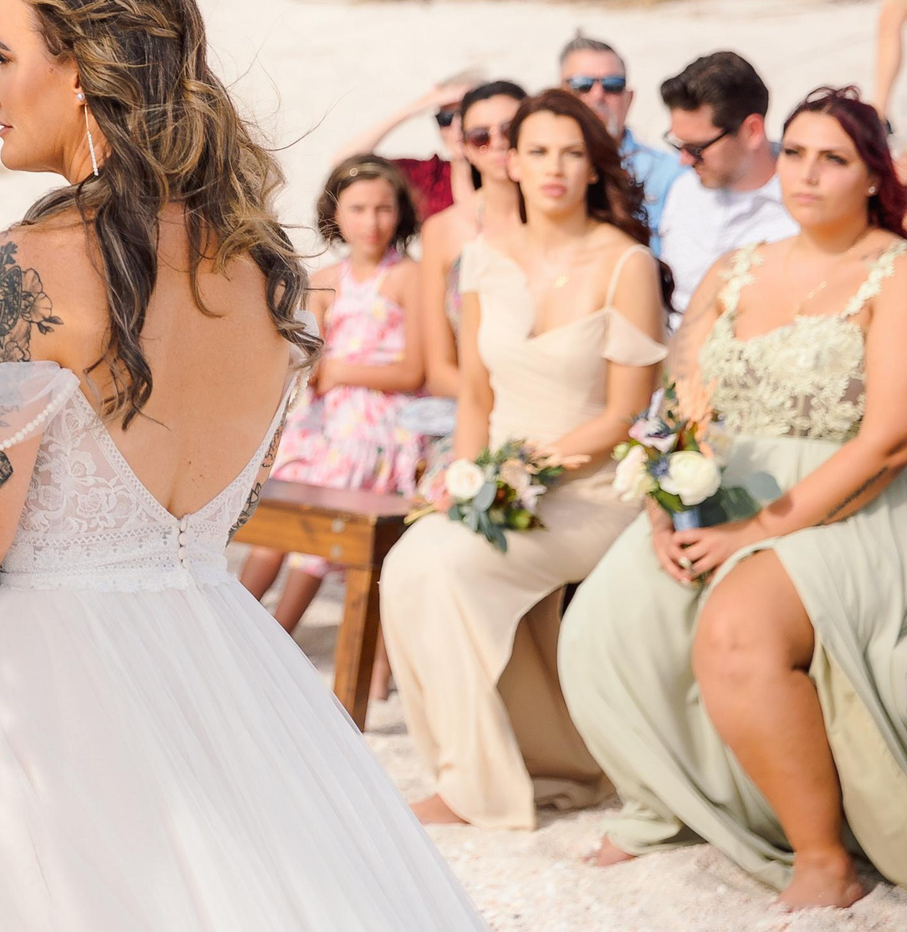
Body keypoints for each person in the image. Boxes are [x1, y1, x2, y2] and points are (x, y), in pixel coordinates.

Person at [0, 0, 483, 930]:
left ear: (78, 73)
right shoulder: (258, 270)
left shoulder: (23, 271)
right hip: (221, 656)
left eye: (1, 59)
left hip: (43, 676)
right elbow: (234, 500)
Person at [562, 86, 907, 911]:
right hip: (715, 493)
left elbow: (888, 438)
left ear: (871, 176)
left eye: (834, 159)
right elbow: (677, 412)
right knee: (606, 622)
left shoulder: (894, 270)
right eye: (794, 153)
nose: (807, 174)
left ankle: (822, 855)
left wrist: (754, 532)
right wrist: (662, 509)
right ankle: (673, 805)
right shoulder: (734, 267)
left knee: (737, 630)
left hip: (850, 503)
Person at [381, 90, 666, 830]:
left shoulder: (625, 263)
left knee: (445, 569)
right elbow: (475, 391)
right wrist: (466, 477)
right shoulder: (482, 258)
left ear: (595, 165)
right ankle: (499, 763)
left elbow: (625, 414)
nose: (554, 167)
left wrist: (530, 467)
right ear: (510, 160)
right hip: (502, 479)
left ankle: (476, 791)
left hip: (592, 491)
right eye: (537, 150)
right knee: (412, 558)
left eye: (572, 152)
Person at [240, 157, 427, 654]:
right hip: (324, 417)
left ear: (400, 213)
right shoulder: (326, 277)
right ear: (336, 214)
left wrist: (341, 371)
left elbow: (415, 371)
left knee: (331, 487)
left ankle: (274, 643)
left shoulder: (409, 278)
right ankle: (231, 631)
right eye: (358, 209)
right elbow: (307, 347)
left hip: (379, 416)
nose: (372, 221)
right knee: (279, 516)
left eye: (384, 208)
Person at [414, 79, 527, 403]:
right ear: (463, 146)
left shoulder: (571, 217)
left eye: (511, 129)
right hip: (474, 404)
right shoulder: (442, 230)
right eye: (481, 136)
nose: (498, 143)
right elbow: (439, 370)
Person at [658, 51, 797, 307]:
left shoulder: (802, 205)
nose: (684, 160)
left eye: (697, 148)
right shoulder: (683, 189)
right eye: (678, 145)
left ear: (752, 131)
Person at [558, 30, 683, 250]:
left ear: (629, 98)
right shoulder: (538, 169)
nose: (598, 95)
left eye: (613, 85)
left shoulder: (672, 174)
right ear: (558, 94)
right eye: (582, 85)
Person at [333, 74, 479, 220]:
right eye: (446, 118)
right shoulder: (431, 176)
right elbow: (345, 164)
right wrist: (418, 106)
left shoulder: (499, 171)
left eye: (465, 115)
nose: (457, 126)